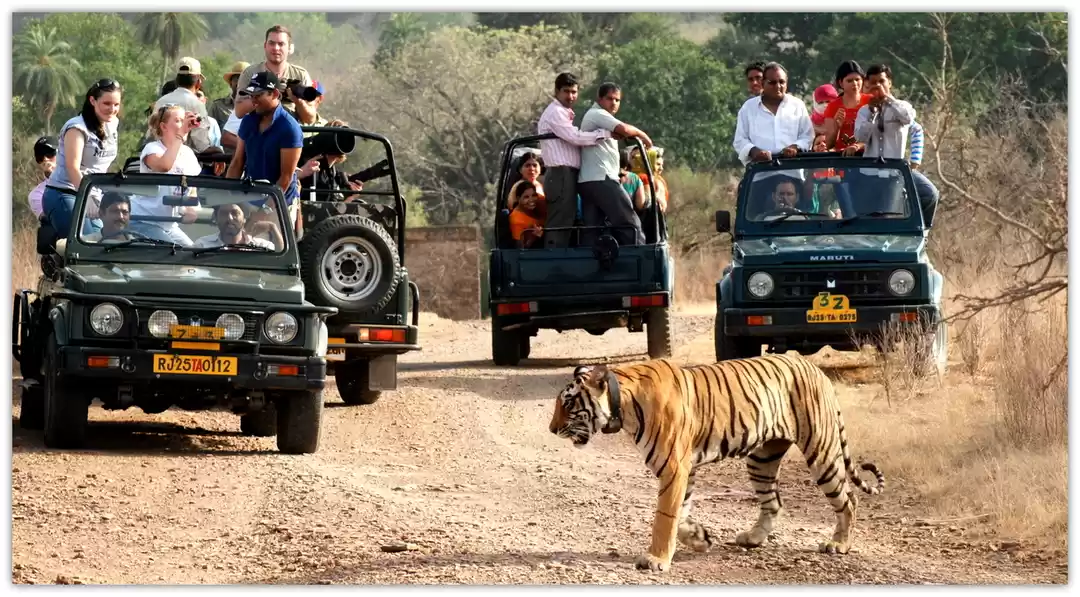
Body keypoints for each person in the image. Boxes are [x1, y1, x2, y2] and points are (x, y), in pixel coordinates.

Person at [853, 63, 940, 226]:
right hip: (869, 173)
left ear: (890, 83)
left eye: (881, 81)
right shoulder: (864, 111)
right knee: (873, 219)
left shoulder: (901, 107)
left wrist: (888, 100)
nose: (877, 86)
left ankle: (921, 231)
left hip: (894, 173)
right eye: (873, 83)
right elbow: (860, 136)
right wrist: (873, 115)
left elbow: (908, 118)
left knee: (929, 194)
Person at [535, 72, 614, 249]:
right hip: (560, 174)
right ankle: (553, 264)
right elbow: (575, 137)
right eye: (566, 91)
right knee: (560, 221)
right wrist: (604, 134)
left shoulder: (563, 112)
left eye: (574, 92)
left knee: (568, 218)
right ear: (556, 91)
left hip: (567, 174)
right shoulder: (555, 112)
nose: (571, 96)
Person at [225, 70, 304, 235]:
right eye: (251, 95)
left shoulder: (289, 128)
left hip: (279, 203)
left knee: (273, 249)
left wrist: (264, 211)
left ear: (275, 93)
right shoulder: (249, 120)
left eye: (258, 95)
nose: (253, 101)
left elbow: (286, 178)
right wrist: (227, 199)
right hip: (250, 196)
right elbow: (237, 162)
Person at [42, 79, 123, 237]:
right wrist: (88, 195)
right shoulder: (77, 127)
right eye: (106, 103)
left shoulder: (113, 124)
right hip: (65, 193)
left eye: (116, 104)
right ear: (92, 100)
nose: (112, 109)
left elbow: (100, 166)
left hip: (93, 194)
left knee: (108, 241)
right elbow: (73, 167)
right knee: (88, 243)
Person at [577, 82, 652, 247]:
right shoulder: (597, 113)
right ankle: (641, 260)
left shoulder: (601, 118)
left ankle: (590, 268)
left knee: (593, 229)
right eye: (610, 98)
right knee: (630, 223)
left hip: (588, 181)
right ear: (600, 99)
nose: (614, 103)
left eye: (617, 100)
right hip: (601, 179)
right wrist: (643, 135)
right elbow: (624, 129)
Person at [130, 104, 202, 244]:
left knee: (192, 252)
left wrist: (191, 210)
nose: (183, 125)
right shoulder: (152, 148)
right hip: (144, 220)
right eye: (178, 120)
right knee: (172, 251)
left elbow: (192, 189)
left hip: (169, 225)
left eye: (184, 120)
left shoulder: (188, 153)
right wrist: (180, 135)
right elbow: (164, 166)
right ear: (164, 127)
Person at [732, 62, 814, 166]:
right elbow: (740, 140)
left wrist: (795, 147)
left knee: (786, 183)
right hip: (760, 171)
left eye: (782, 82)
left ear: (786, 83)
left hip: (792, 169)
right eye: (772, 82)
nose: (778, 86)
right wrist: (754, 151)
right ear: (763, 83)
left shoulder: (797, 105)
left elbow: (808, 136)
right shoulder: (748, 108)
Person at [235, 25, 316, 123]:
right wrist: (263, 95)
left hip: (288, 133)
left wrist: (298, 101)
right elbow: (239, 112)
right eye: (271, 43)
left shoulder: (300, 75)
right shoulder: (251, 73)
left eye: (281, 44)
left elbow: (310, 119)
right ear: (265, 46)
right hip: (258, 133)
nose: (276, 48)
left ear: (290, 48)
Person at [153, 57, 217, 153]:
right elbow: (200, 143)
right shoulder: (196, 104)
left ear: (177, 81)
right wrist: (216, 151)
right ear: (198, 83)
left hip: (159, 158)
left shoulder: (161, 101)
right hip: (184, 160)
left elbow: (152, 134)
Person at [822, 60, 871, 153]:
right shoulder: (833, 107)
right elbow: (829, 145)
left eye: (857, 79)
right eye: (849, 80)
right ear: (841, 83)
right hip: (843, 159)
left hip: (867, 158)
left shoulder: (871, 102)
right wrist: (836, 127)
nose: (855, 84)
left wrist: (858, 146)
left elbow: (877, 135)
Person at [193, 203, 281, 250]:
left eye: (235, 213)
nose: (230, 218)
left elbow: (281, 260)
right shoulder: (202, 246)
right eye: (224, 214)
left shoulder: (262, 246)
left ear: (244, 218)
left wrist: (273, 227)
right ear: (216, 218)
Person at [210, 60, 249, 128]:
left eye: (245, 80)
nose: (240, 84)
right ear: (231, 83)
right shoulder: (218, 106)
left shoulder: (257, 106)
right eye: (237, 79)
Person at [508, 181, 547, 248]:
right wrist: (535, 237)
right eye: (526, 197)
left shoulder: (539, 203)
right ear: (518, 199)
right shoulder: (516, 220)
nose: (531, 200)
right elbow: (520, 249)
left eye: (534, 195)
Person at [28, 135, 58, 218]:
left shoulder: (80, 177)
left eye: (50, 153)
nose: (45, 159)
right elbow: (49, 222)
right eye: (40, 157)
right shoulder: (37, 195)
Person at [810, 83, 839, 150]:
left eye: (828, 101)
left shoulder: (842, 118)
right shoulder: (809, 123)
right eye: (820, 102)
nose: (825, 105)